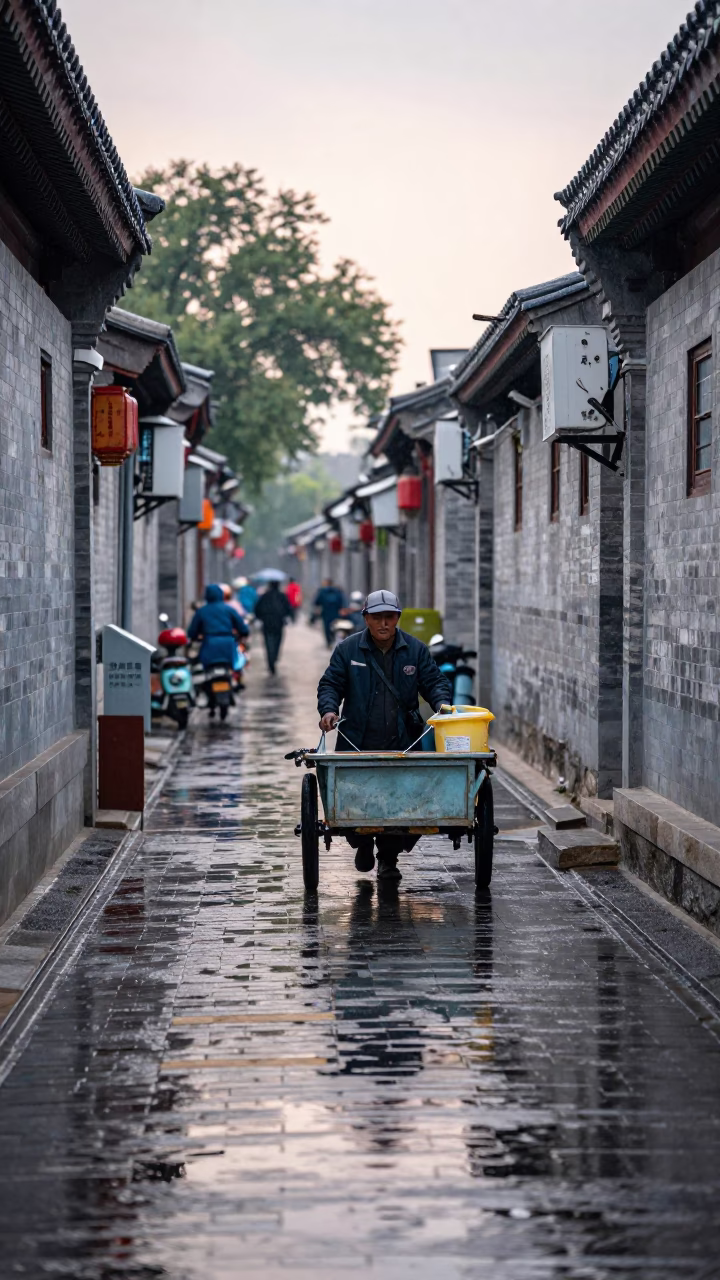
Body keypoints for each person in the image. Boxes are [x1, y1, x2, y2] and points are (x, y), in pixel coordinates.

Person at [317, 589, 451, 881]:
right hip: (356, 742)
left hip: (404, 742)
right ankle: (363, 844)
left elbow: (434, 681)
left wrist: (442, 704)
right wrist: (328, 710)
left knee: (401, 806)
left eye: (389, 617)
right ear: (365, 618)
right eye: (376, 617)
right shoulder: (347, 650)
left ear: (397, 619)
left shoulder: (415, 650)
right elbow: (330, 685)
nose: (383, 624)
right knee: (355, 803)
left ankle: (388, 859)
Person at [188, 583, 249, 671]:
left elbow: (192, 632)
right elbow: (242, 627)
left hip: (209, 644)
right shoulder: (229, 609)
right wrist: (243, 633)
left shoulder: (202, 611)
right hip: (228, 645)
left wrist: (195, 637)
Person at [254, 580, 293, 673]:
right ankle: (274, 657)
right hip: (279, 624)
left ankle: (270, 661)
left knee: (268, 643)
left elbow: (257, 608)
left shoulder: (264, 596)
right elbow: (288, 608)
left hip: (266, 624)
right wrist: (288, 617)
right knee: (277, 642)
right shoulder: (282, 596)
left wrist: (259, 618)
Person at [312, 578, 347, 646]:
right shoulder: (337, 591)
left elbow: (316, 602)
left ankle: (329, 643)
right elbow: (342, 602)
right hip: (336, 614)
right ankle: (334, 641)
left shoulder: (322, 592)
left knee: (327, 629)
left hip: (326, 614)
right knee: (335, 628)